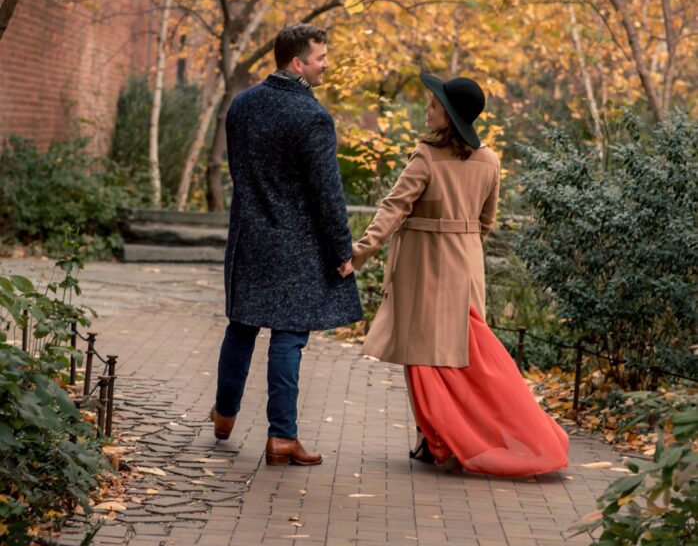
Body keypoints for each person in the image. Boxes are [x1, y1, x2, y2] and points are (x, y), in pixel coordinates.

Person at [352, 73, 569, 475]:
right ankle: (452, 438)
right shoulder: (490, 159)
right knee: (464, 358)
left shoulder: (425, 156)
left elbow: (393, 208)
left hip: (422, 263)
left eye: (434, 105)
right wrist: (462, 241)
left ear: (449, 118)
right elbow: (487, 222)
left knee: (424, 357)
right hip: (466, 264)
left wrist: (359, 253)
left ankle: (435, 439)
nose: (427, 110)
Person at [211, 23, 362, 465]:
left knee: (241, 326)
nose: (326, 64)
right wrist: (342, 252)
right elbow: (327, 194)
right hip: (294, 246)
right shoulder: (311, 117)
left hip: (247, 237)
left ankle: (224, 417)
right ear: (298, 63)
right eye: (321, 57)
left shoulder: (242, 105)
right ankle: (282, 438)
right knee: (288, 337)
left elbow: (242, 172)